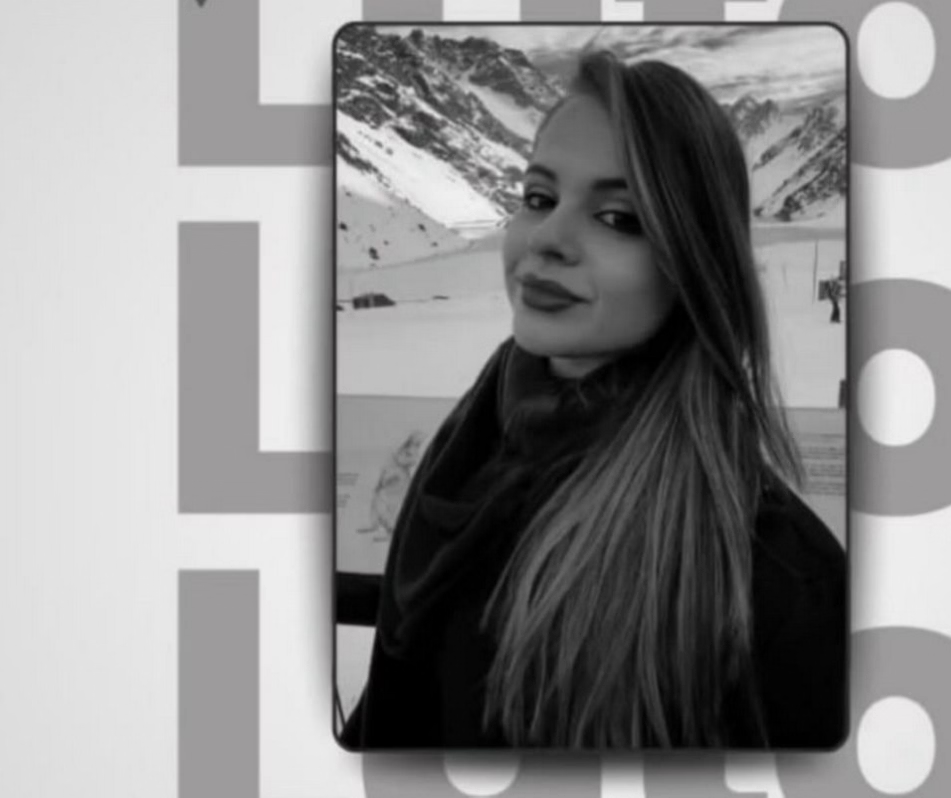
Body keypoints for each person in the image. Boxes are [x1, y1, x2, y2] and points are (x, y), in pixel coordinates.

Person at [339, 49, 846, 751]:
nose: (547, 239)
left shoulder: (771, 577)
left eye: (618, 217)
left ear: (694, 264)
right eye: (539, 199)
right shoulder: (473, 449)